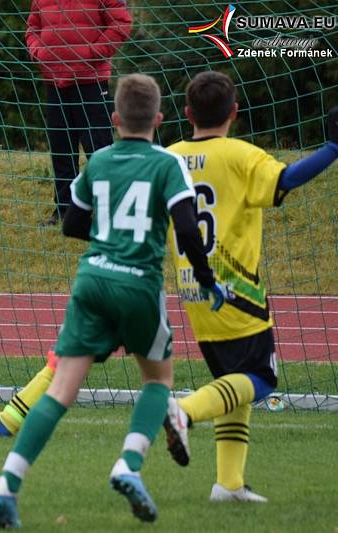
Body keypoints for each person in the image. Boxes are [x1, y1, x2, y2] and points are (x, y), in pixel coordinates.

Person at [0, 73, 228, 528]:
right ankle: (128, 465)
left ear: (114, 118)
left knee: (59, 392)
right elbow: (189, 229)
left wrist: (107, 237)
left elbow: (72, 224)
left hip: (92, 280)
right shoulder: (167, 164)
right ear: (159, 118)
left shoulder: (96, 161)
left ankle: (6, 483)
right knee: (158, 381)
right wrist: (208, 281)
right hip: (138, 284)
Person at [162, 71, 338, 503]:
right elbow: (288, 179)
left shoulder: (167, 158)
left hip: (192, 290)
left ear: (187, 113)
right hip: (236, 290)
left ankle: (229, 483)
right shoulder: (242, 155)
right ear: (235, 113)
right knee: (261, 377)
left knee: (233, 383)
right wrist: (334, 147)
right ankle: (184, 410)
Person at [26, 0, 132, 226]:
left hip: (91, 81)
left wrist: (91, 52)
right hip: (54, 81)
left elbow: (121, 23)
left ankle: (109, 211)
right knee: (61, 148)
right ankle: (65, 210)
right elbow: (32, 27)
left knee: (99, 149)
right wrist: (39, 53)